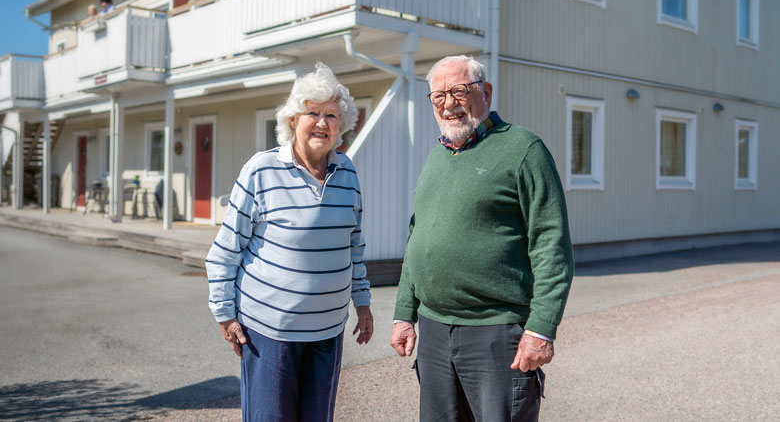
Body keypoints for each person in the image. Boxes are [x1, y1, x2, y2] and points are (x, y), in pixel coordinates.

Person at [390, 55, 574, 422]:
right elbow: (417, 238)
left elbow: (551, 243)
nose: (448, 104)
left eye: (459, 91)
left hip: (496, 332)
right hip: (436, 333)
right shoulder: (436, 158)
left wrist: (541, 328)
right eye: (438, 96)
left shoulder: (523, 149)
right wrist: (403, 314)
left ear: (486, 92)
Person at [206, 63, 373, 422]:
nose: (322, 122)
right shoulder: (261, 169)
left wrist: (362, 302)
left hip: (328, 330)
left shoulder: (347, 172)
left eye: (331, 114)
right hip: (270, 332)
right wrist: (225, 314)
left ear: (341, 125)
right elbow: (225, 250)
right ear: (293, 120)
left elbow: (353, 245)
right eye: (312, 112)